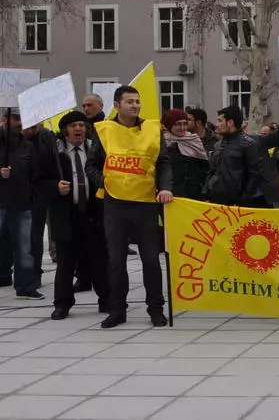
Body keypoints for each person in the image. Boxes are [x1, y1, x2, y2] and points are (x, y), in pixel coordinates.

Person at [88, 85, 173, 328]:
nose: (135, 105)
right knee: (115, 261)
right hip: (115, 203)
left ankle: (156, 308)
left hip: (146, 203)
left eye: (137, 101)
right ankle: (117, 310)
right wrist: (101, 180)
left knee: (151, 260)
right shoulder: (104, 130)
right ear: (116, 105)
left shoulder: (152, 129)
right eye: (129, 102)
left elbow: (164, 163)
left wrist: (165, 187)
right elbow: (91, 164)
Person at [49, 111, 109, 319]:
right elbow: (38, 181)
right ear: (64, 130)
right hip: (66, 214)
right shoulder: (54, 153)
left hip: (92, 212)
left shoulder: (96, 149)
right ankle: (62, 304)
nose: (79, 129)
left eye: (82, 126)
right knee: (66, 261)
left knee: (99, 258)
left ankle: (107, 299)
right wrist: (54, 187)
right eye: (74, 126)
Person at [0, 110, 51, 300]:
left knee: (24, 248)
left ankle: (25, 286)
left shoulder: (27, 145)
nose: (20, 123)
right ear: (5, 119)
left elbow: (34, 173)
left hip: (21, 204)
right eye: (16, 118)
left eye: (23, 118)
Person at [204, 106, 268, 208]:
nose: (217, 125)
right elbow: (212, 171)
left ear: (230, 122)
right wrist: (206, 193)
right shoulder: (218, 145)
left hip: (237, 207)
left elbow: (255, 175)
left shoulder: (248, 144)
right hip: (216, 203)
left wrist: (242, 201)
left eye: (220, 121)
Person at [162, 108, 208, 201]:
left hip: (194, 196)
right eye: (178, 124)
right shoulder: (162, 143)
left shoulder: (194, 140)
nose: (182, 128)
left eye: (185, 123)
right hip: (170, 196)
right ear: (169, 125)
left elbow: (204, 168)